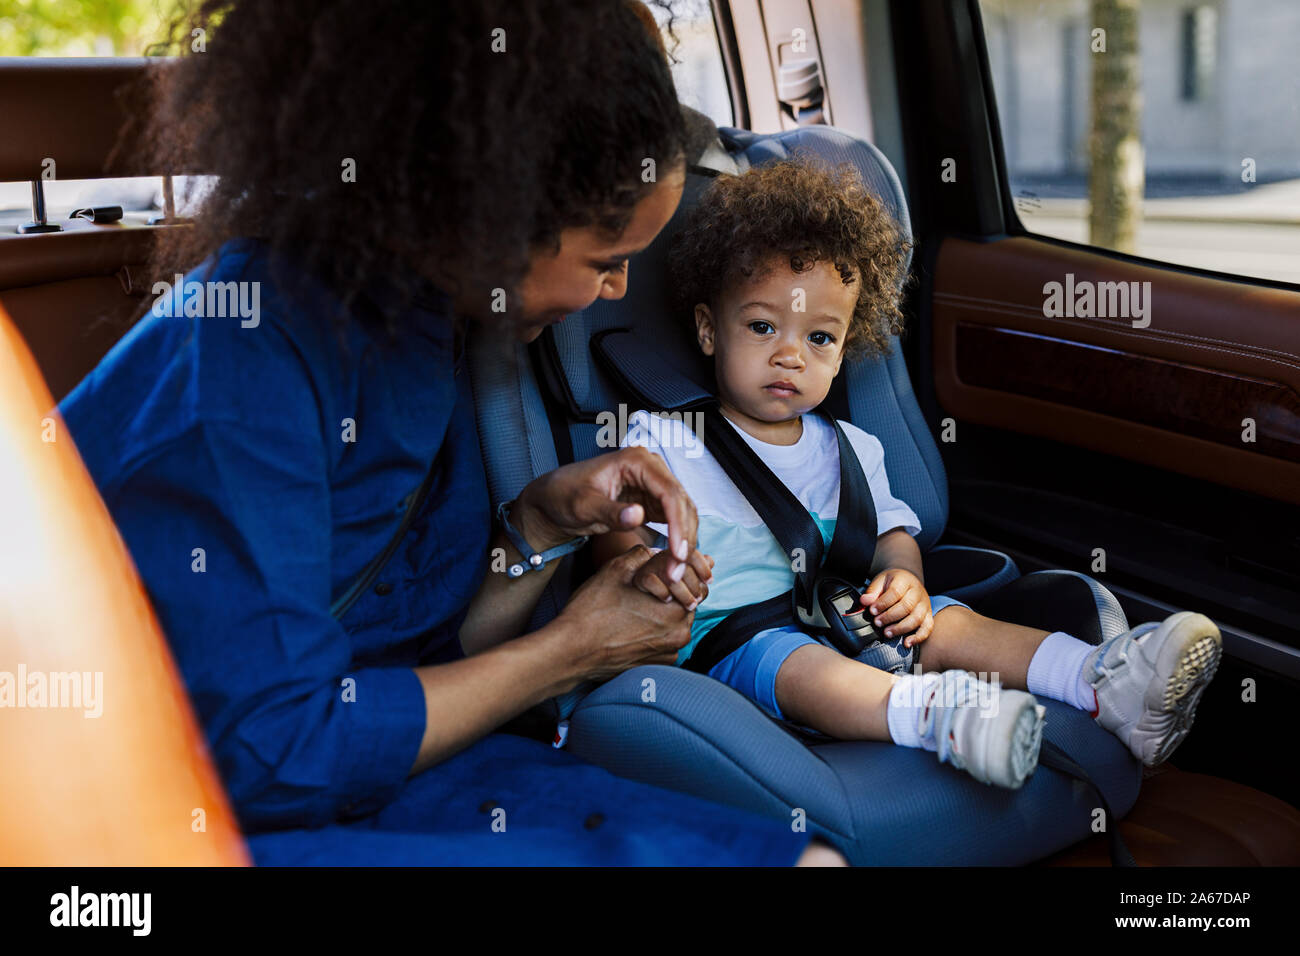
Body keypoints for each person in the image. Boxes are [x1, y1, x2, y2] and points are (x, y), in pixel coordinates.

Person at [57, 0, 843, 865]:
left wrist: (537, 528)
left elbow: (426, 662)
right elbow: (275, 753)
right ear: (487, 220)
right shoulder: (239, 362)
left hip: (395, 777)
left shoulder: (433, 324)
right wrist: (567, 652)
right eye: (605, 262)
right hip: (200, 815)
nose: (619, 292)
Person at [594, 157, 1224, 789]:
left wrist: (905, 578)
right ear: (708, 330)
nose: (790, 354)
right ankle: (949, 719)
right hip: (731, 641)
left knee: (950, 621)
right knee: (796, 661)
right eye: (762, 327)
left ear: (843, 352)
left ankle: (1101, 681)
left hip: (843, 614)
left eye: (820, 338)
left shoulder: (851, 447)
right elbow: (619, 527)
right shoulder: (671, 438)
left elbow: (892, 533)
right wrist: (649, 573)